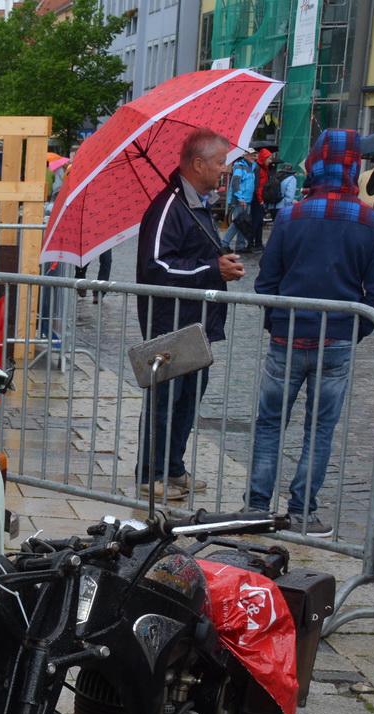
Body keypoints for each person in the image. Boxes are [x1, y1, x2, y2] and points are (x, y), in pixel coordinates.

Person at [243, 130, 374, 538]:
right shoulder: (373, 221)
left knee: (270, 423)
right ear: (354, 166)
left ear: (316, 163)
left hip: (287, 336)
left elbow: (266, 282)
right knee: (319, 429)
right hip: (336, 339)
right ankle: (302, 511)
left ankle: (256, 507)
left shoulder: (290, 216)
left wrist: (277, 322)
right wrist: (353, 329)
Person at [136, 128, 245, 503]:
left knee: (188, 400)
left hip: (197, 323)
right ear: (198, 164)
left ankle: (173, 467)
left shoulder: (197, 203)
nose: (224, 169)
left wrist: (219, 262)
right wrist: (213, 269)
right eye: (220, 162)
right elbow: (155, 267)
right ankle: (151, 473)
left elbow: (193, 257)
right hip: (171, 324)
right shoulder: (169, 206)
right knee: (165, 401)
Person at [220, 152, 256, 251]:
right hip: (241, 200)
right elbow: (235, 183)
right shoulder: (240, 167)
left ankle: (240, 245)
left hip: (246, 199)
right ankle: (224, 244)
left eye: (254, 155)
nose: (253, 157)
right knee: (237, 223)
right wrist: (240, 198)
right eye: (251, 155)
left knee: (242, 223)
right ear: (245, 156)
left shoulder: (250, 167)